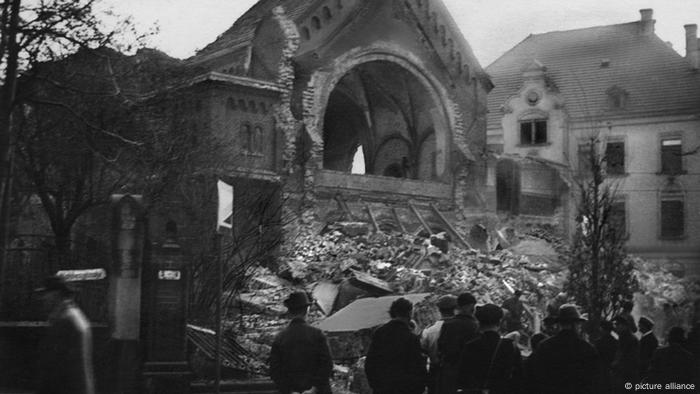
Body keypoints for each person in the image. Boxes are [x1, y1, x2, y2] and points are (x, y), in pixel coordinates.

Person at [36, 275, 95, 394]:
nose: (43, 298)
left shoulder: (64, 320)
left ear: (56, 294)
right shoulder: (76, 315)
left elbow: (55, 366)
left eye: (46, 293)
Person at [269, 291, 333, 394]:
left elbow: (275, 370)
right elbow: (327, 365)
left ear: (289, 311)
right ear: (307, 310)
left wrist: (289, 390)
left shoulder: (280, 338)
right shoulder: (317, 335)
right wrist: (314, 388)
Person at [365, 297, 426, 394]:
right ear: (410, 313)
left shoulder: (380, 333)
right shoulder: (411, 337)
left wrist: (374, 384)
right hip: (404, 388)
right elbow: (417, 367)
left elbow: (370, 362)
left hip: (382, 387)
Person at [532, 304, 598, 394]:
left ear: (559, 324)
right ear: (575, 324)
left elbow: (537, 377)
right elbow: (592, 381)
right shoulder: (587, 348)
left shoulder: (544, 346)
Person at [457, 304, 522, 394]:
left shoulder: (470, 346)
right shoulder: (510, 347)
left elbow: (462, 378)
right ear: (499, 322)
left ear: (479, 322)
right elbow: (518, 378)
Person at [436, 292, 479, 394]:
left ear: (458, 306)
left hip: (450, 371)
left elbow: (441, 347)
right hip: (470, 373)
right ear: (472, 306)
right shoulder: (475, 326)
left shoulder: (448, 325)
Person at [421, 295, 456, 394]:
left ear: (439, 310)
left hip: (434, 373)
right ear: (456, 309)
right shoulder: (460, 329)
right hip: (453, 374)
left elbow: (423, 352)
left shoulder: (429, 330)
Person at [611, 315, 640, 392]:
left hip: (626, 373)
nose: (615, 327)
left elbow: (621, 354)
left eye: (617, 324)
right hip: (627, 372)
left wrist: (615, 365)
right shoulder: (626, 336)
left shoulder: (626, 338)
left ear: (624, 325)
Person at [594, 320, 618, 394]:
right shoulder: (616, 342)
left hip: (600, 370)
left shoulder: (598, 342)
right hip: (612, 370)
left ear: (602, 329)